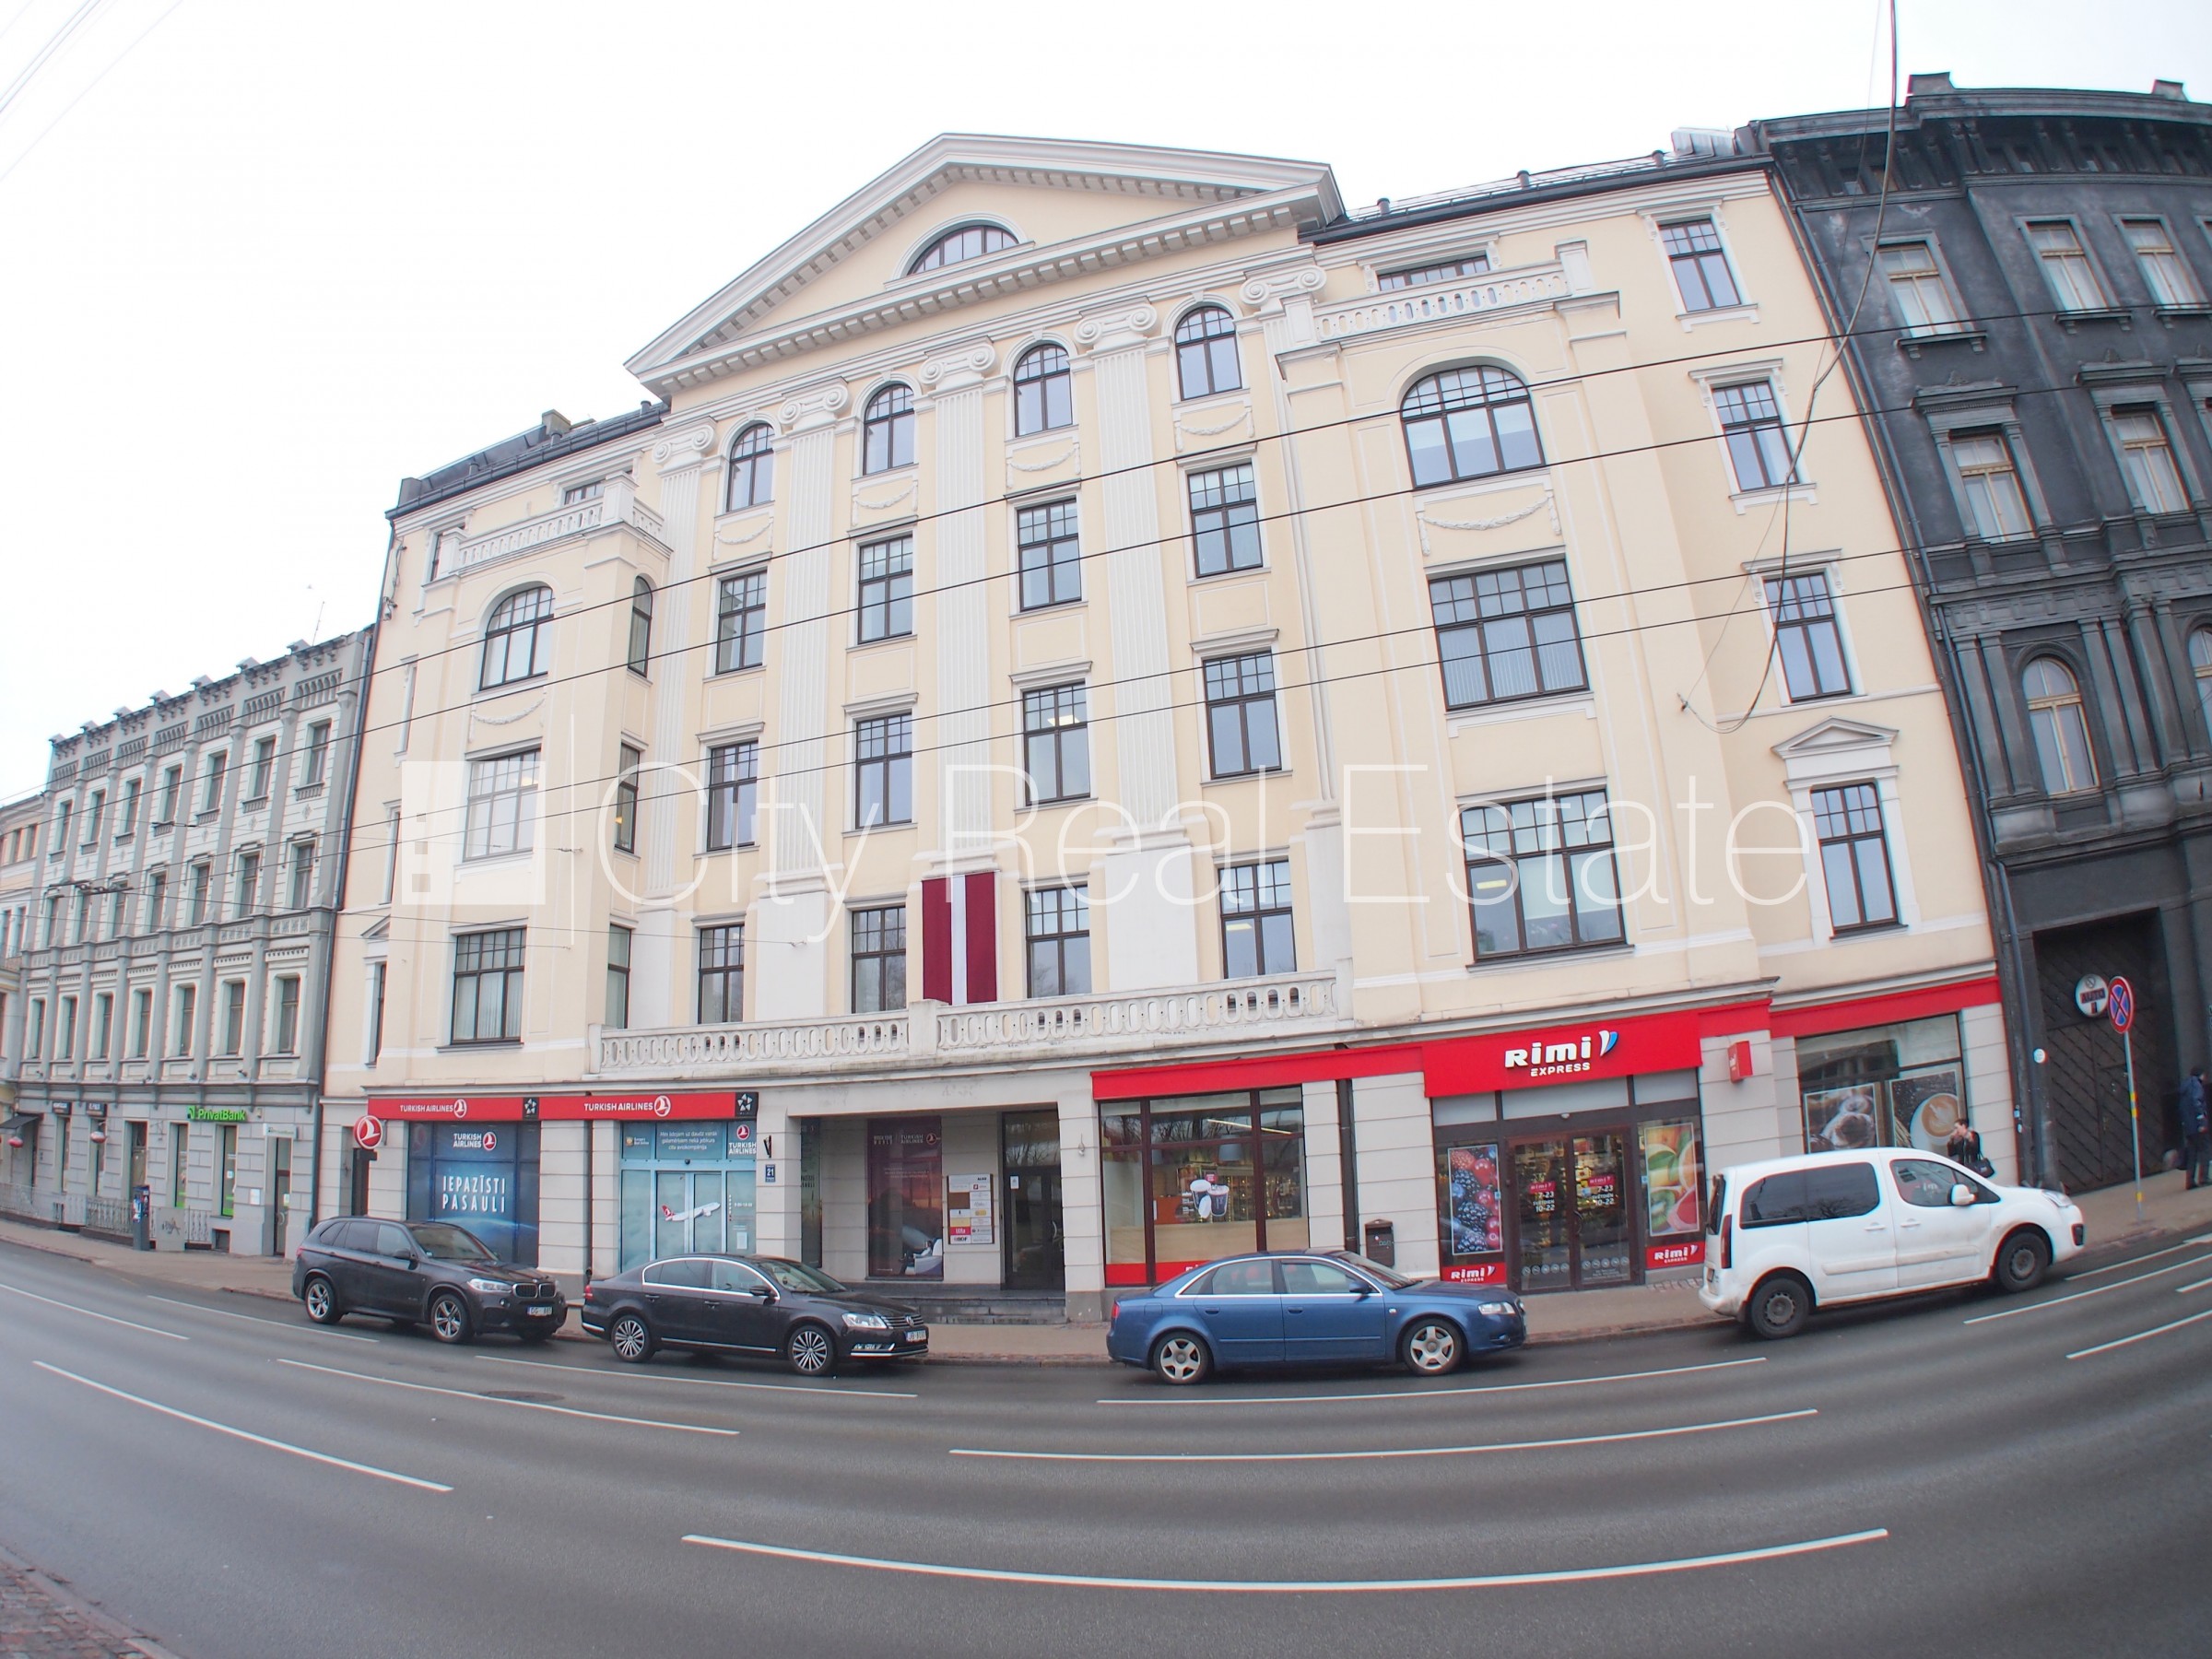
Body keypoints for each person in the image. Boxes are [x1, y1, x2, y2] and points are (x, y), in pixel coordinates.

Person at [2182, 1066, 2210, 1191]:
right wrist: (2202, 1121)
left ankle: (2190, 1181)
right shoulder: (2196, 1085)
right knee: (2206, 1149)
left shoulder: (2185, 1087)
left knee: (2192, 1153)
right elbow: (2197, 1102)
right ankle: (2204, 1178)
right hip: (2197, 1125)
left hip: (2189, 1126)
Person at [1946, 1116, 1993, 1180]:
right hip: (1964, 1170)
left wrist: (1970, 1140)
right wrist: (1952, 1140)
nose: (1956, 1130)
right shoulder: (1960, 1140)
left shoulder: (1973, 1135)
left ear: (1963, 1126)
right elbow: (1951, 1153)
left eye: (1957, 1128)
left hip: (1973, 1168)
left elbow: (1976, 1150)